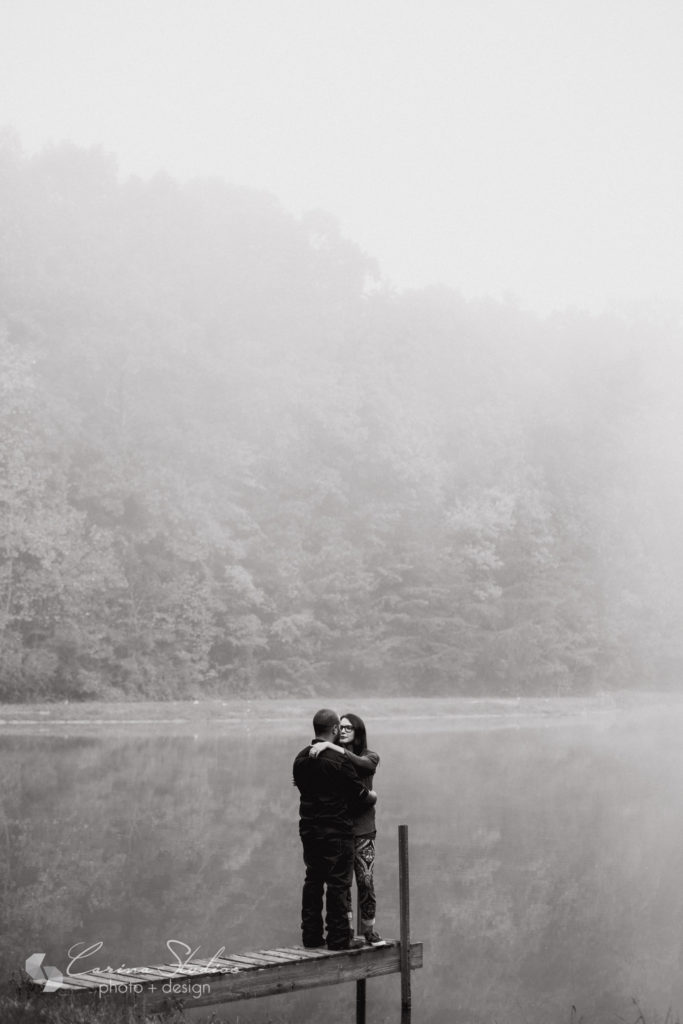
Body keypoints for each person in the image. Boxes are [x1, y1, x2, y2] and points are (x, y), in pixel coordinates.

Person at [292, 708, 377, 951]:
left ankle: (311, 937)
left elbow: (300, 786)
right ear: (335, 729)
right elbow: (359, 795)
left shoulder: (300, 757)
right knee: (339, 884)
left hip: (309, 829)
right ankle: (339, 939)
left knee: (313, 880)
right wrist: (372, 795)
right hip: (337, 830)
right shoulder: (339, 761)